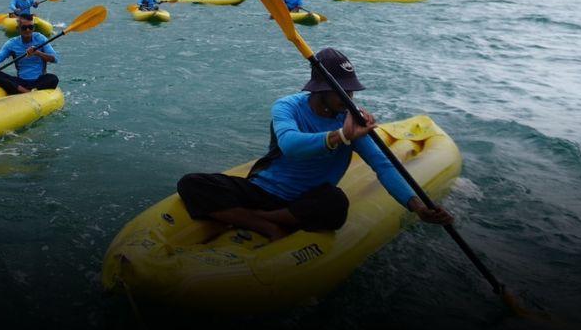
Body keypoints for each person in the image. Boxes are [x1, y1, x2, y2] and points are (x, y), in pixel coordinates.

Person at [176, 48, 452, 241]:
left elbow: (383, 166)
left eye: (352, 89)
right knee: (192, 183)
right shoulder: (287, 106)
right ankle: (265, 222)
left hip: (307, 199)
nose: (350, 96)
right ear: (320, 88)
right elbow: (290, 145)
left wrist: (416, 207)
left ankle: (257, 217)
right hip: (264, 189)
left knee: (335, 205)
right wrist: (340, 137)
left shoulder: (351, 119)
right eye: (343, 90)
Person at [0, 13, 59, 94]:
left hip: (39, 80)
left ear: (33, 28)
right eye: (24, 28)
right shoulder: (12, 43)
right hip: (21, 82)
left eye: (30, 27)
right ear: (18, 28)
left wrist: (38, 53)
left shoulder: (41, 39)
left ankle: (28, 90)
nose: (28, 30)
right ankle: (27, 92)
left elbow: (55, 59)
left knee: (53, 78)